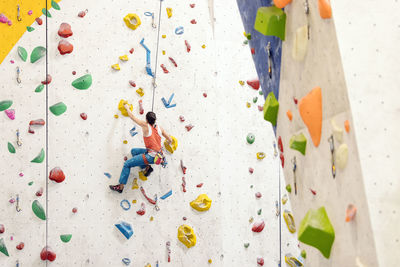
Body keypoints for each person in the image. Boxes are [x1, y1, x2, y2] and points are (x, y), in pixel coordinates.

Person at [109, 104, 173, 193]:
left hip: (150, 156)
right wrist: (168, 143)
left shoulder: (145, 125)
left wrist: (127, 108)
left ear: (146, 120)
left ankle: (121, 187)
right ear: (155, 120)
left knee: (127, 164)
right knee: (133, 151)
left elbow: (132, 117)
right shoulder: (159, 128)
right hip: (158, 154)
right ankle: (147, 167)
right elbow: (170, 139)